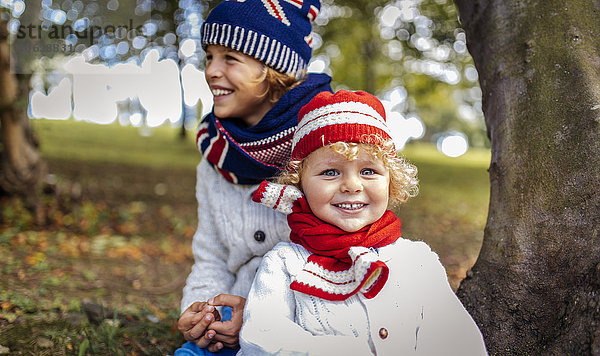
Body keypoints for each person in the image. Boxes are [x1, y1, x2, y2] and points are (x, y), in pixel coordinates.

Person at [243, 90, 488, 355]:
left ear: (391, 181)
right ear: (299, 183)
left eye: (368, 171)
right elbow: (261, 337)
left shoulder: (417, 261)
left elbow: (457, 340)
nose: (351, 185)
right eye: (330, 172)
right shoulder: (284, 264)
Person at [175, 0, 331, 355]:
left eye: (230, 58)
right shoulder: (215, 155)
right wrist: (202, 311)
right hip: (232, 326)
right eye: (209, 57)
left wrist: (262, 316)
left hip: (314, 326)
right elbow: (212, 256)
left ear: (276, 70)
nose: (212, 71)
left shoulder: (325, 146)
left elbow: (344, 255)